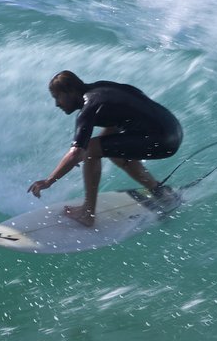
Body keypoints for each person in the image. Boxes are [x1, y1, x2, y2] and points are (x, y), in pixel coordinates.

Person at [27, 71, 182, 227]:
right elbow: (117, 119)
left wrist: (48, 181)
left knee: (91, 149)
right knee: (106, 149)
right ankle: (159, 192)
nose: (57, 104)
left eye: (57, 97)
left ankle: (87, 214)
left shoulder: (89, 107)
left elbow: (76, 152)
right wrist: (87, 151)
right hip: (173, 131)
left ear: (70, 92)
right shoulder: (102, 89)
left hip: (161, 140)